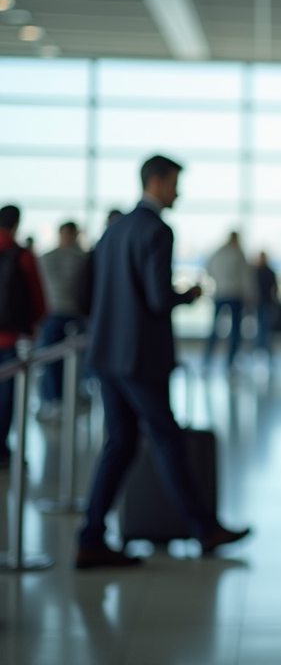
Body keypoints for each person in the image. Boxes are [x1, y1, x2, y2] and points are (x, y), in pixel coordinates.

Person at [76, 155, 250, 567]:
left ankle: (90, 538)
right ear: (156, 182)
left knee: (120, 442)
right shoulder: (157, 230)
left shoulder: (113, 230)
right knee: (166, 439)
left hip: (106, 353)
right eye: (174, 183)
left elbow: (91, 292)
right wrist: (186, 295)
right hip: (139, 357)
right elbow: (157, 298)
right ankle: (204, 529)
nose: (178, 192)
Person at [0, 205, 47, 469]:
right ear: (16, 224)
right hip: (8, 338)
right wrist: (33, 324)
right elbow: (37, 296)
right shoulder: (21, 254)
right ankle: (1, 450)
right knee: (5, 399)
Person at [36, 220, 87, 422]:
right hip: (55, 313)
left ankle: (67, 397)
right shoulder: (77, 259)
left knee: (73, 360)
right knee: (51, 361)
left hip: (68, 313)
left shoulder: (77, 258)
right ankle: (54, 398)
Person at [203, 231, 255, 371]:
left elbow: (208, 268)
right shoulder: (238, 254)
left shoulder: (218, 253)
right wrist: (250, 294)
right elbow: (246, 277)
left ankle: (207, 360)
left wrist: (218, 281)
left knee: (216, 328)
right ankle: (230, 362)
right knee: (235, 330)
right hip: (234, 294)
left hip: (220, 293)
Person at [254, 252, 278, 359]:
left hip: (263, 302)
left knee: (263, 328)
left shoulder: (256, 272)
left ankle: (261, 350)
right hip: (263, 302)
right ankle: (262, 350)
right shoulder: (268, 272)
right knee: (263, 328)